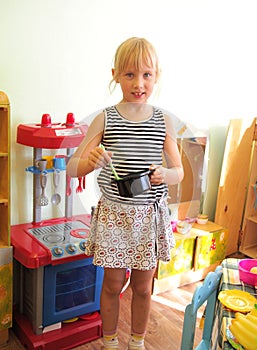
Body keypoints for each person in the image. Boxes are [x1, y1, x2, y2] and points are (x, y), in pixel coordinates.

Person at [67, 37, 184, 350]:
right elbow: (72, 167)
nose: (139, 83)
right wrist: (89, 161)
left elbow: (179, 171)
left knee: (144, 288)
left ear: (156, 76)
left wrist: (167, 174)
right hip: (116, 216)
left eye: (146, 75)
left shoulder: (164, 121)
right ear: (115, 74)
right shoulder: (105, 117)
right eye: (130, 74)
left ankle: (138, 341)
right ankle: (109, 341)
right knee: (113, 284)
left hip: (149, 217)